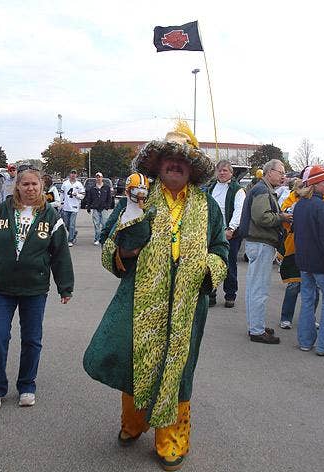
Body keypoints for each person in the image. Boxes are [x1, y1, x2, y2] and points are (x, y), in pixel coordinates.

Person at [83, 121, 228, 471]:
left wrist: (207, 268)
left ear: (191, 168)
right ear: (158, 164)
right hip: (139, 299)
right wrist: (124, 251)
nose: (175, 164)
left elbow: (221, 249)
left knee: (179, 368)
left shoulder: (209, 207)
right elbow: (109, 243)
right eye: (168, 158)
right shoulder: (139, 200)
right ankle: (134, 422)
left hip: (188, 304)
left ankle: (171, 437)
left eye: (183, 160)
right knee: (136, 360)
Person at [0, 168, 74, 411]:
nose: (30, 188)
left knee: (32, 340)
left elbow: (60, 253)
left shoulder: (51, 215)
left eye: (35, 184)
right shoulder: (2, 211)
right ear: (18, 186)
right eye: (26, 184)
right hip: (2, 288)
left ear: (42, 186)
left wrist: (65, 287)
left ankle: (27, 386)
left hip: (34, 289)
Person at [240, 159, 293, 344]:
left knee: (254, 288)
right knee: (259, 289)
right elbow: (262, 217)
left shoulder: (262, 188)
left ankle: (256, 325)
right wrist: (282, 217)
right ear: (270, 172)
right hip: (261, 243)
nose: (283, 176)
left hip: (258, 243)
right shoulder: (263, 190)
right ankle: (257, 330)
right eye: (281, 172)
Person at [293, 165, 324, 355]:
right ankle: (323, 346)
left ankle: (305, 342)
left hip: (304, 261)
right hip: (320, 263)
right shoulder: (321, 207)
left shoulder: (300, 205)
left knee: (307, 300)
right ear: (316, 184)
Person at [207, 159, 245, 308]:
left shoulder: (238, 190)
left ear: (231, 172)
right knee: (210, 264)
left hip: (230, 234)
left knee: (229, 265)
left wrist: (231, 229)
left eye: (225, 170)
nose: (222, 173)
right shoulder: (211, 188)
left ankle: (230, 295)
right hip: (212, 233)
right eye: (220, 170)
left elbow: (239, 210)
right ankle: (210, 295)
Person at [85, 172, 112, 245]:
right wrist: (88, 207)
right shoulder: (92, 188)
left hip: (104, 209)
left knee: (104, 224)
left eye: (99, 177)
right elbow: (89, 198)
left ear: (102, 178)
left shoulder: (106, 187)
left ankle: (103, 239)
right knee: (96, 225)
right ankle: (97, 239)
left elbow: (109, 198)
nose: (98, 178)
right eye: (97, 177)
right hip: (95, 209)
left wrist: (107, 206)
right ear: (95, 178)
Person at [60, 169, 85, 247]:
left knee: (72, 224)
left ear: (76, 175)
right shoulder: (65, 183)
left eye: (74, 173)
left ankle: (70, 240)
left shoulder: (79, 184)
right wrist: (60, 203)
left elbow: (83, 195)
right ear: (69, 174)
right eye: (72, 173)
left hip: (74, 207)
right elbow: (62, 194)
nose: (73, 175)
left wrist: (77, 195)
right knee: (67, 224)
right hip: (66, 207)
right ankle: (74, 233)